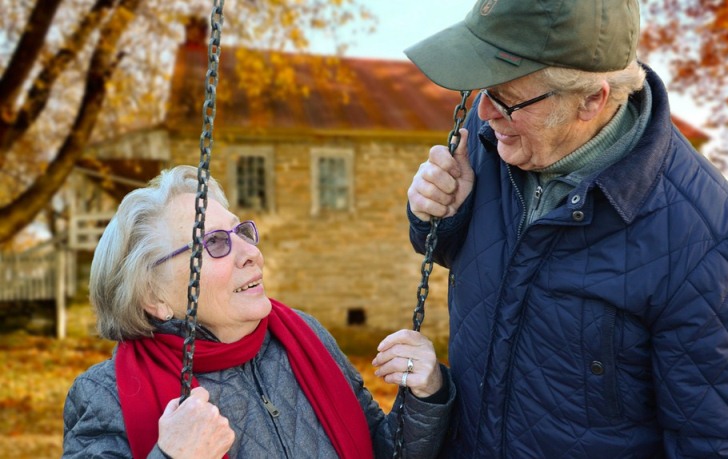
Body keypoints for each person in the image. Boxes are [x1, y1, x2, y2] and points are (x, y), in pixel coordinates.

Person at [403, 0, 728, 457]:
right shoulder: (492, 147)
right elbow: (466, 255)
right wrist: (437, 216)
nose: (484, 113)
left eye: (506, 99)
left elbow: (716, 443)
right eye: (481, 91)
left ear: (592, 100)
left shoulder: (709, 238)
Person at [63, 165, 454, 458]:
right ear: (154, 297)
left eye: (242, 232)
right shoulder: (105, 395)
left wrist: (424, 395)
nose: (251, 253)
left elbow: (383, 451)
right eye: (214, 243)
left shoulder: (305, 336)